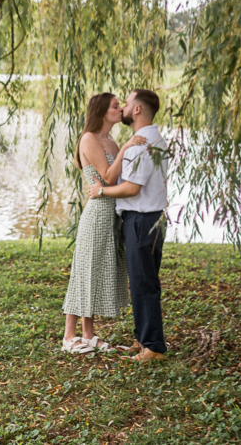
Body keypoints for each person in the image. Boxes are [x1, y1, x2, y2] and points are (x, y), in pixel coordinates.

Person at [61, 93, 146, 354]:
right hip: (97, 214)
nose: (120, 109)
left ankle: (88, 335)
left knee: (96, 272)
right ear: (101, 111)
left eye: (121, 105)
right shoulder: (89, 138)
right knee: (85, 271)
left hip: (112, 214)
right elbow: (109, 178)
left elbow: (119, 179)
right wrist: (128, 147)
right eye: (114, 106)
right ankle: (68, 337)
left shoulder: (109, 139)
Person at [88, 89, 168, 363]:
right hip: (153, 219)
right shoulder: (156, 139)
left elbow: (131, 188)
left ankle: (154, 347)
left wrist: (100, 192)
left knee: (143, 283)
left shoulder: (141, 144)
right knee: (144, 281)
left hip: (140, 221)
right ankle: (143, 339)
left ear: (137, 110)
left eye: (127, 103)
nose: (122, 107)